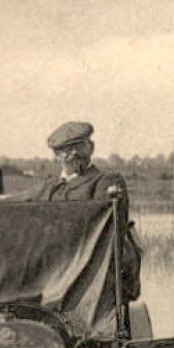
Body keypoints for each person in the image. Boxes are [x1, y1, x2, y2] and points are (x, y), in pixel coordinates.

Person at [28, 121, 141, 301]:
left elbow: (105, 229)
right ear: (56, 155)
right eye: (67, 149)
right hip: (50, 273)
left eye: (80, 146)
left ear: (91, 148)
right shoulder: (49, 187)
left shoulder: (106, 182)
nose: (74, 154)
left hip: (88, 274)